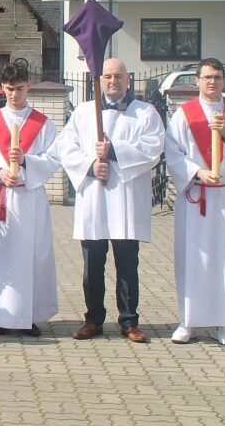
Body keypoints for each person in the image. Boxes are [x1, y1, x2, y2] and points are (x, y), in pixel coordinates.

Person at [58, 58, 165, 343]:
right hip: (94, 198)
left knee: (127, 264)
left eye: (118, 76)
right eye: (107, 76)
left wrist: (114, 151)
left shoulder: (145, 113)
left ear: (129, 79)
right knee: (92, 264)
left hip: (126, 200)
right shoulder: (83, 113)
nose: (112, 81)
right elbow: (66, 148)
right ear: (99, 80)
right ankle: (93, 319)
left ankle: (129, 321)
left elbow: (154, 147)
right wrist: (91, 166)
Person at [165, 58, 225, 347]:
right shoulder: (184, 114)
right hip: (197, 195)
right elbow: (173, 153)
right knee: (193, 258)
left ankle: (224, 323)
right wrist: (197, 172)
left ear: (224, 81)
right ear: (197, 80)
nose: (212, 82)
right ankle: (189, 321)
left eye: (217, 77)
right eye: (207, 77)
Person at [0, 62, 61, 337]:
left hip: (29, 198)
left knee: (31, 257)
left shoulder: (42, 124)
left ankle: (28, 316)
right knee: (0, 257)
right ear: (2, 88)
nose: (14, 95)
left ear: (28, 86)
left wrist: (26, 161)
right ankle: (0, 316)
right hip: (0, 200)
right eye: (9, 89)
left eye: (19, 89)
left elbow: (53, 159)